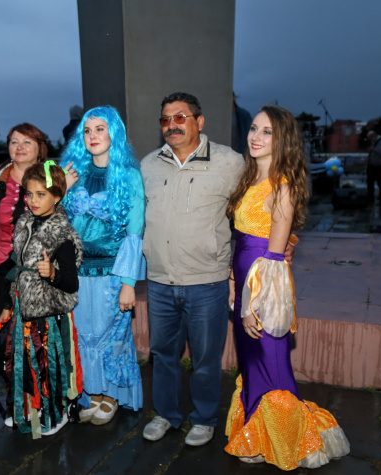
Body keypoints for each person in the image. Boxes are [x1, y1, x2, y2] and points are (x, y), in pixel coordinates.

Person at [224, 105, 350, 469]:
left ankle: (293, 441)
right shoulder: (249, 180)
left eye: (267, 132)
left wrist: (253, 305)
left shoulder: (282, 187)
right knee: (252, 366)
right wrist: (233, 284)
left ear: (283, 141)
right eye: (254, 128)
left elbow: (274, 258)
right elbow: (241, 244)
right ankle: (259, 437)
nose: (256, 136)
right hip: (244, 288)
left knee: (271, 368)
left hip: (264, 294)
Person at [140, 92, 246, 446]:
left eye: (180, 117)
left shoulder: (230, 163)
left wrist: (281, 241)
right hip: (160, 282)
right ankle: (165, 414)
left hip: (207, 283)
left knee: (205, 360)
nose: (172, 125)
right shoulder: (148, 165)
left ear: (199, 121)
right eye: (165, 119)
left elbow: (252, 212)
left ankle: (204, 418)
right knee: (163, 355)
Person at [61, 105, 145, 425]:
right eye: (87, 130)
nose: (93, 136)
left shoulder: (129, 176)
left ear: (114, 134)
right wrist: (61, 190)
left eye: (100, 129)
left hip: (113, 272)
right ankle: (92, 393)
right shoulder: (73, 174)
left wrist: (128, 283)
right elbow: (52, 223)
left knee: (112, 337)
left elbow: (135, 233)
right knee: (83, 334)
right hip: (77, 272)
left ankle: (111, 395)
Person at [0, 123, 54, 424]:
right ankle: (15, 399)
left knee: (36, 337)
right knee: (5, 338)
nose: (19, 147)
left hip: (35, 269)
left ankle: (42, 400)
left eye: (26, 142)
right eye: (14, 142)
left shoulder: (51, 177)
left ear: (39, 147)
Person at [2, 161, 83, 438]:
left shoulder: (62, 234)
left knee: (48, 365)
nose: (33, 200)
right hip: (22, 309)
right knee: (22, 362)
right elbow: (15, 265)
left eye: (41, 194)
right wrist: (7, 303)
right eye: (29, 194)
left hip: (48, 315)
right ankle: (28, 409)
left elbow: (71, 283)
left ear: (57, 196)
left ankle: (56, 413)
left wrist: (52, 274)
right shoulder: (24, 223)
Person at [366, 130, 381, 203]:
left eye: (370, 138)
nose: (370, 140)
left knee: (380, 182)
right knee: (370, 181)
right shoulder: (374, 142)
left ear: (374, 136)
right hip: (372, 164)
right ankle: (371, 197)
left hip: (380, 165)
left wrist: (374, 149)